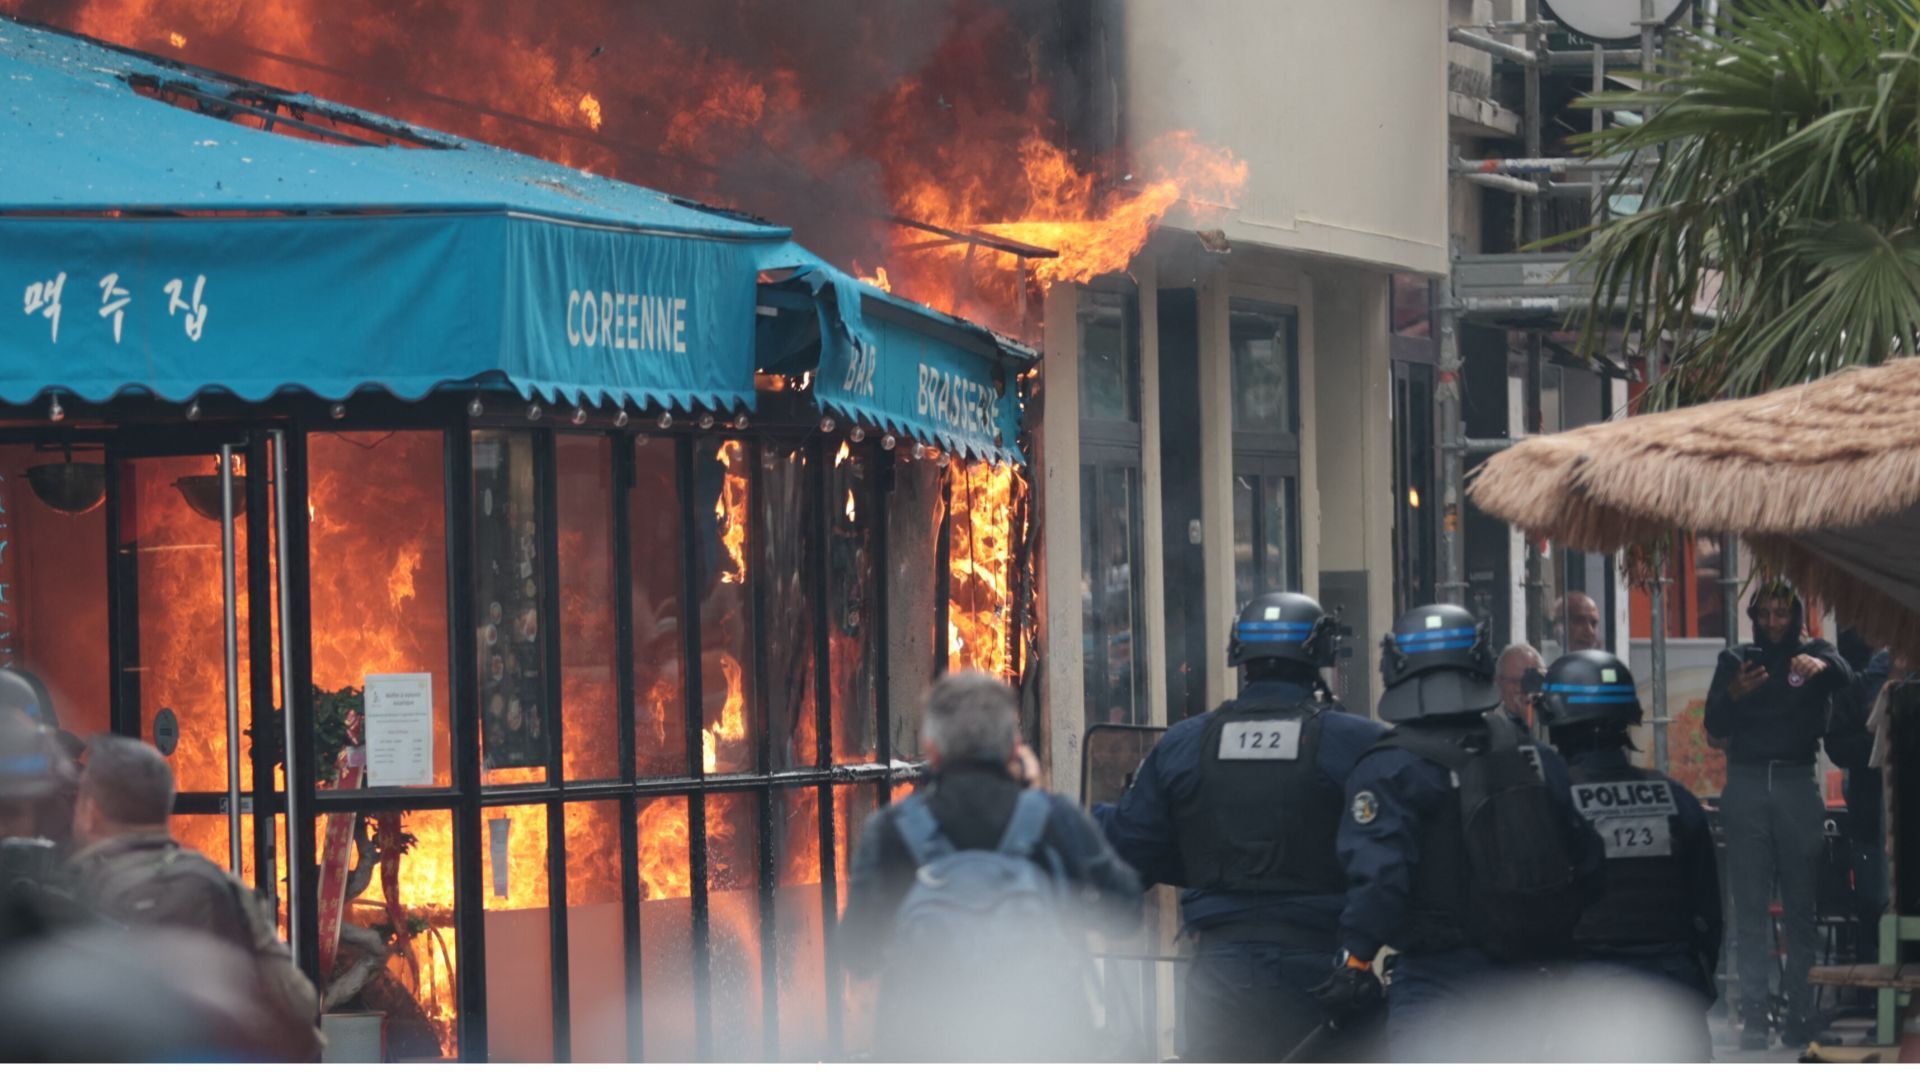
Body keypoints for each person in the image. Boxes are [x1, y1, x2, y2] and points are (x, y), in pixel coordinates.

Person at [1095, 591, 1386, 1061]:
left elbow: (1132, 852)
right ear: (1321, 653)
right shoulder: (1359, 742)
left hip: (1220, 972)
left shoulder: (1183, 744)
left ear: (1240, 654)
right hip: (1325, 969)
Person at [1329, 603, 1605, 1061]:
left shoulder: (1387, 768)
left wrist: (1354, 961)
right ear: (1480, 663)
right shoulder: (1533, 755)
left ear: (1396, 669)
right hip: (1528, 984)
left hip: (1438, 984)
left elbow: (1380, 883)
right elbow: (1590, 862)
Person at [839, 672, 1140, 1061]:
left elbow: (856, 952)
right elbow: (1126, 912)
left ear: (931, 750)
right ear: (1014, 747)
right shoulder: (1055, 818)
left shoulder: (891, 831)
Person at [65, 735, 322, 1061]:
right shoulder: (223, 884)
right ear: (163, 807)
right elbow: (298, 1001)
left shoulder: (65, 887)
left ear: (90, 812)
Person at [1536, 649, 1721, 1060]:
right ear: (1629, 720)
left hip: (1582, 1003)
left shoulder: (1547, 802)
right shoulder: (1675, 798)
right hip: (1673, 999)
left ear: (1555, 720)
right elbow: (1709, 912)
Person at [1705, 580, 1854, 1049]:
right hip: (1746, 779)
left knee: (1800, 910)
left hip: (1795, 781)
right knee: (1747, 907)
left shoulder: (1814, 654)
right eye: (1764, 613)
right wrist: (1733, 693)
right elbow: (1713, 725)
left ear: (1795, 616)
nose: (1772, 622)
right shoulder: (1735, 658)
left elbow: (1845, 674)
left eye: (1781, 613)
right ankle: (1753, 1015)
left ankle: (1799, 1014)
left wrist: (1820, 661)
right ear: (1753, 616)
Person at [1495, 643, 1546, 736]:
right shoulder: (1490, 724)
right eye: (1513, 681)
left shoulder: (1553, 717)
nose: (1520, 689)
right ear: (1499, 681)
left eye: (1528, 681)